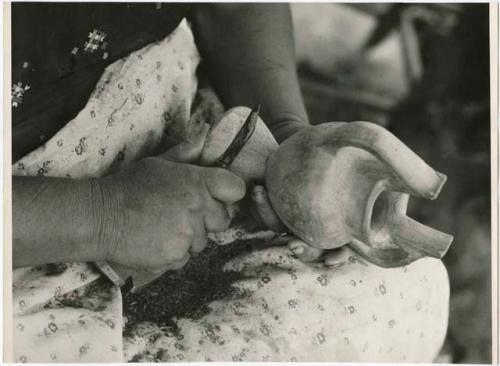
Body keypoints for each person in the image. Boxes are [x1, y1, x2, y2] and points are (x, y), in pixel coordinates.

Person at [11, 3, 449, 362]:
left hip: (184, 148)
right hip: (35, 233)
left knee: (403, 294)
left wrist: (289, 135)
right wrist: (103, 214)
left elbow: (234, 4)